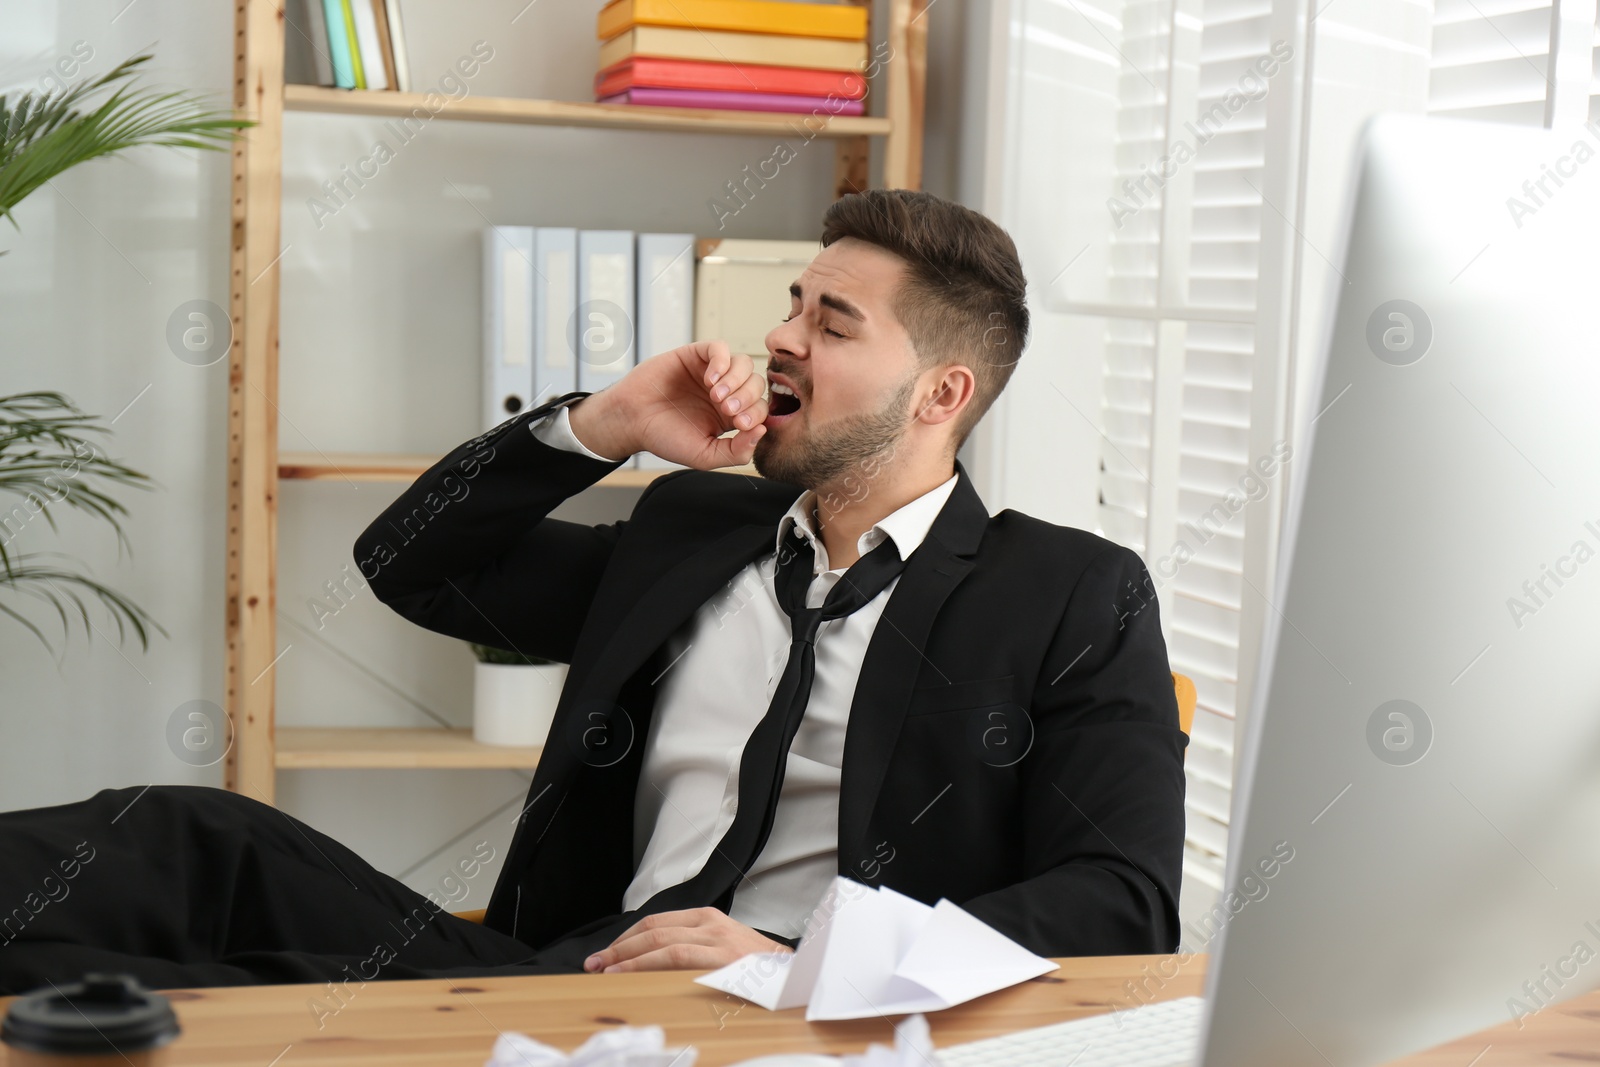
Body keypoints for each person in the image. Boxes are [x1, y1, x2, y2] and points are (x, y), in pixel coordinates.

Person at [0, 189, 1185, 994]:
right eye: (790, 303)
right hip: (562, 985)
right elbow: (412, 559)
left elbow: (1122, 903)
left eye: (830, 323)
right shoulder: (694, 528)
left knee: (193, 996)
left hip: (799, 1024)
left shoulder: (1071, 592)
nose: (780, 338)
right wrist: (601, 426)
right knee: (186, 837)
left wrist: (794, 957)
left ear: (939, 394)